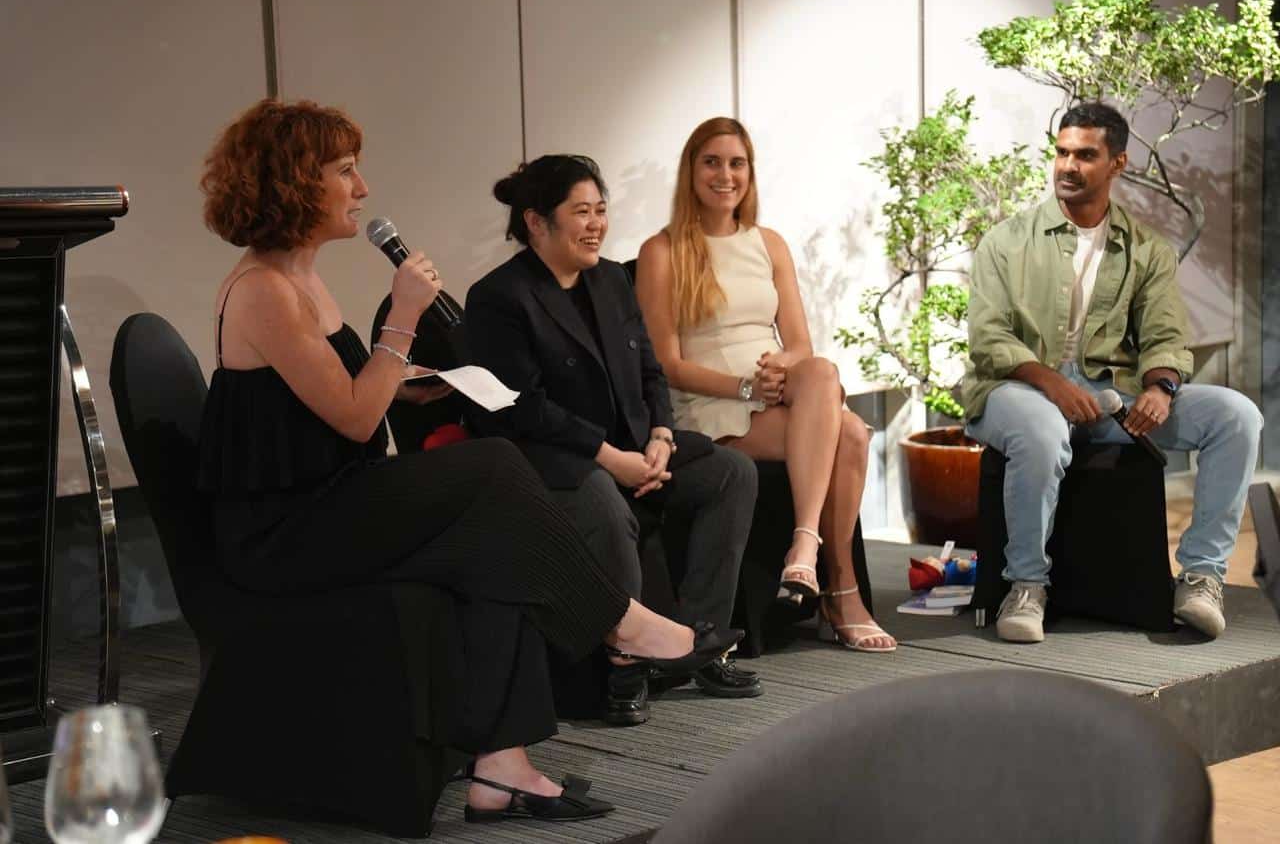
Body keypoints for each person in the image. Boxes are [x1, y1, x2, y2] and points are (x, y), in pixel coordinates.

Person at [196, 98, 740, 825]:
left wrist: (416, 381)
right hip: (287, 530)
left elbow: (341, 401)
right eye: (346, 172)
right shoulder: (263, 289)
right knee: (493, 471)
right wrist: (405, 316)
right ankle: (620, 623)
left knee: (495, 539)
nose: (362, 190)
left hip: (333, 499)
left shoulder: (303, 277)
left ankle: (502, 768)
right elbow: (358, 420)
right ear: (296, 182)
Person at [465, 154, 762, 727]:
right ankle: (625, 662)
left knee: (732, 473)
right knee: (603, 503)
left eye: (601, 210)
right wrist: (610, 457)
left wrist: (661, 435)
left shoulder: (611, 279)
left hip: (635, 445)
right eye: (581, 212)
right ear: (536, 222)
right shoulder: (501, 297)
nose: (597, 224)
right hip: (557, 459)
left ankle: (696, 646)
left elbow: (651, 369)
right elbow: (523, 407)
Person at [962, 101, 1264, 643]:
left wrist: (1161, 385)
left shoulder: (1147, 249)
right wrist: (1052, 383)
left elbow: (1167, 335)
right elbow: (988, 339)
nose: (1067, 166)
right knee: (1043, 426)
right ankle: (1027, 584)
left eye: (1085, 154)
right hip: (1015, 391)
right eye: (1061, 152)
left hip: (1110, 398)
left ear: (1118, 164)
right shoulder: (1006, 241)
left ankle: (1200, 575)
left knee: (1236, 415)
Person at [635, 117, 896, 653]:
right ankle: (838, 588)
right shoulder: (662, 251)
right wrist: (746, 389)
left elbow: (800, 342)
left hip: (772, 394)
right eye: (711, 162)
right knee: (848, 434)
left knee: (821, 371)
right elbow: (667, 363)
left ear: (750, 173)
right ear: (691, 171)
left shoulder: (769, 243)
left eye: (736, 163)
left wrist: (781, 366)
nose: (725, 175)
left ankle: (804, 551)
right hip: (708, 405)